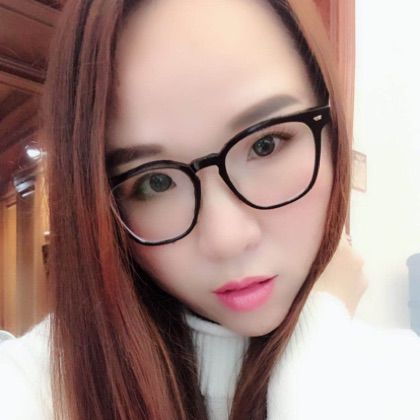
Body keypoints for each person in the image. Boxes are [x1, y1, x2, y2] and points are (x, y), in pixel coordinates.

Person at [0, 0, 419, 419]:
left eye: (265, 144)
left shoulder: (401, 378)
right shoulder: (30, 388)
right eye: (155, 181)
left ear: (332, 129)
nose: (226, 239)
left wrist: (315, 347)